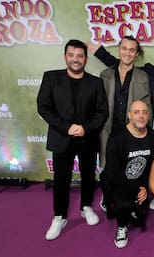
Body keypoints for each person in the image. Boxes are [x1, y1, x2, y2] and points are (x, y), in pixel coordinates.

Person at [87, 42, 154, 210]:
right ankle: (110, 194)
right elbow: (123, 64)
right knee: (136, 164)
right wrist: (101, 53)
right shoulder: (151, 71)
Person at [37, 39, 109, 241]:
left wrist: (85, 128)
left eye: (80, 56)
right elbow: (44, 107)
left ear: (86, 59)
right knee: (61, 179)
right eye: (71, 55)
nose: (75, 59)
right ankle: (59, 216)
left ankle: (86, 207)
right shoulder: (51, 78)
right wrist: (66, 127)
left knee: (88, 175)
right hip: (61, 137)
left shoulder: (96, 82)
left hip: (87, 137)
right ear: (65, 56)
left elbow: (102, 112)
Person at [98, 36, 150, 217]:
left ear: (137, 54)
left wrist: (142, 130)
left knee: (130, 168)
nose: (127, 53)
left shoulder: (143, 77)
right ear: (119, 49)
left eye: (132, 50)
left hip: (131, 131)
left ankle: (129, 199)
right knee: (107, 169)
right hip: (108, 129)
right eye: (124, 48)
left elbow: (147, 106)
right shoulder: (105, 74)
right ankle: (107, 197)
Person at [103, 100, 154, 248]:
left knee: (139, 220)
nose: (141, 116)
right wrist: (136, 190)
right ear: (129, 115)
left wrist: (147, 187)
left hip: (141, 184)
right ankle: (121, 227)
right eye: (136, 112)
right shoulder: (117, 137)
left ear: (148, 116)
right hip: (120, 182)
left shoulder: (153, 137)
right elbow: (112, 172)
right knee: (124, 205)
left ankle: (134, 209)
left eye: (144, 112)